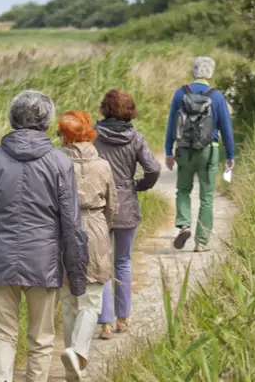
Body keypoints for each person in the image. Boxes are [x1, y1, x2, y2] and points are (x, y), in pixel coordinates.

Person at [0, 90, 88, 382]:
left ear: (11, 119)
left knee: (0, 334)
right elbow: (71, 224)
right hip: (43, 262)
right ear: (47, 122)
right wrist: (77, 274)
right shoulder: (60, 163)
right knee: (42, 338)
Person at [93, 89, 161, 340]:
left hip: (100, 207)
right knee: (123, 262)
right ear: (131, 111)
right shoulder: (136, 138)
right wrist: (138, 185)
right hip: (127, 206)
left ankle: (106, 323)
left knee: (102, 264)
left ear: (105, 109)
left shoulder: (94, 136)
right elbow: (153, 168)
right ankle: (123, 318)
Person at [56, 110, 118, 381]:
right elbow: (112, 205)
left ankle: (72, 356)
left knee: (68, 299)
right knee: (91, 299)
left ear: (64, 137)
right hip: (94, 227)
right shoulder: (103, 165)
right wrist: (102, 226)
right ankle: (78, 353)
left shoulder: (56, 164)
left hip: (63, 230)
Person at [163, 56, 235, 252]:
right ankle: (201, 242)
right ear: (210, 74)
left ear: (193, 72)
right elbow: (226, 128)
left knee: (183, 190)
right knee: (206, 197)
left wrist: (168, 151)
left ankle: (184, 224)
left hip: (184, 150)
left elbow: (172, 124)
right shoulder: (217, 96)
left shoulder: (181, 93)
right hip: (208, 151)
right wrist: (230, 155)